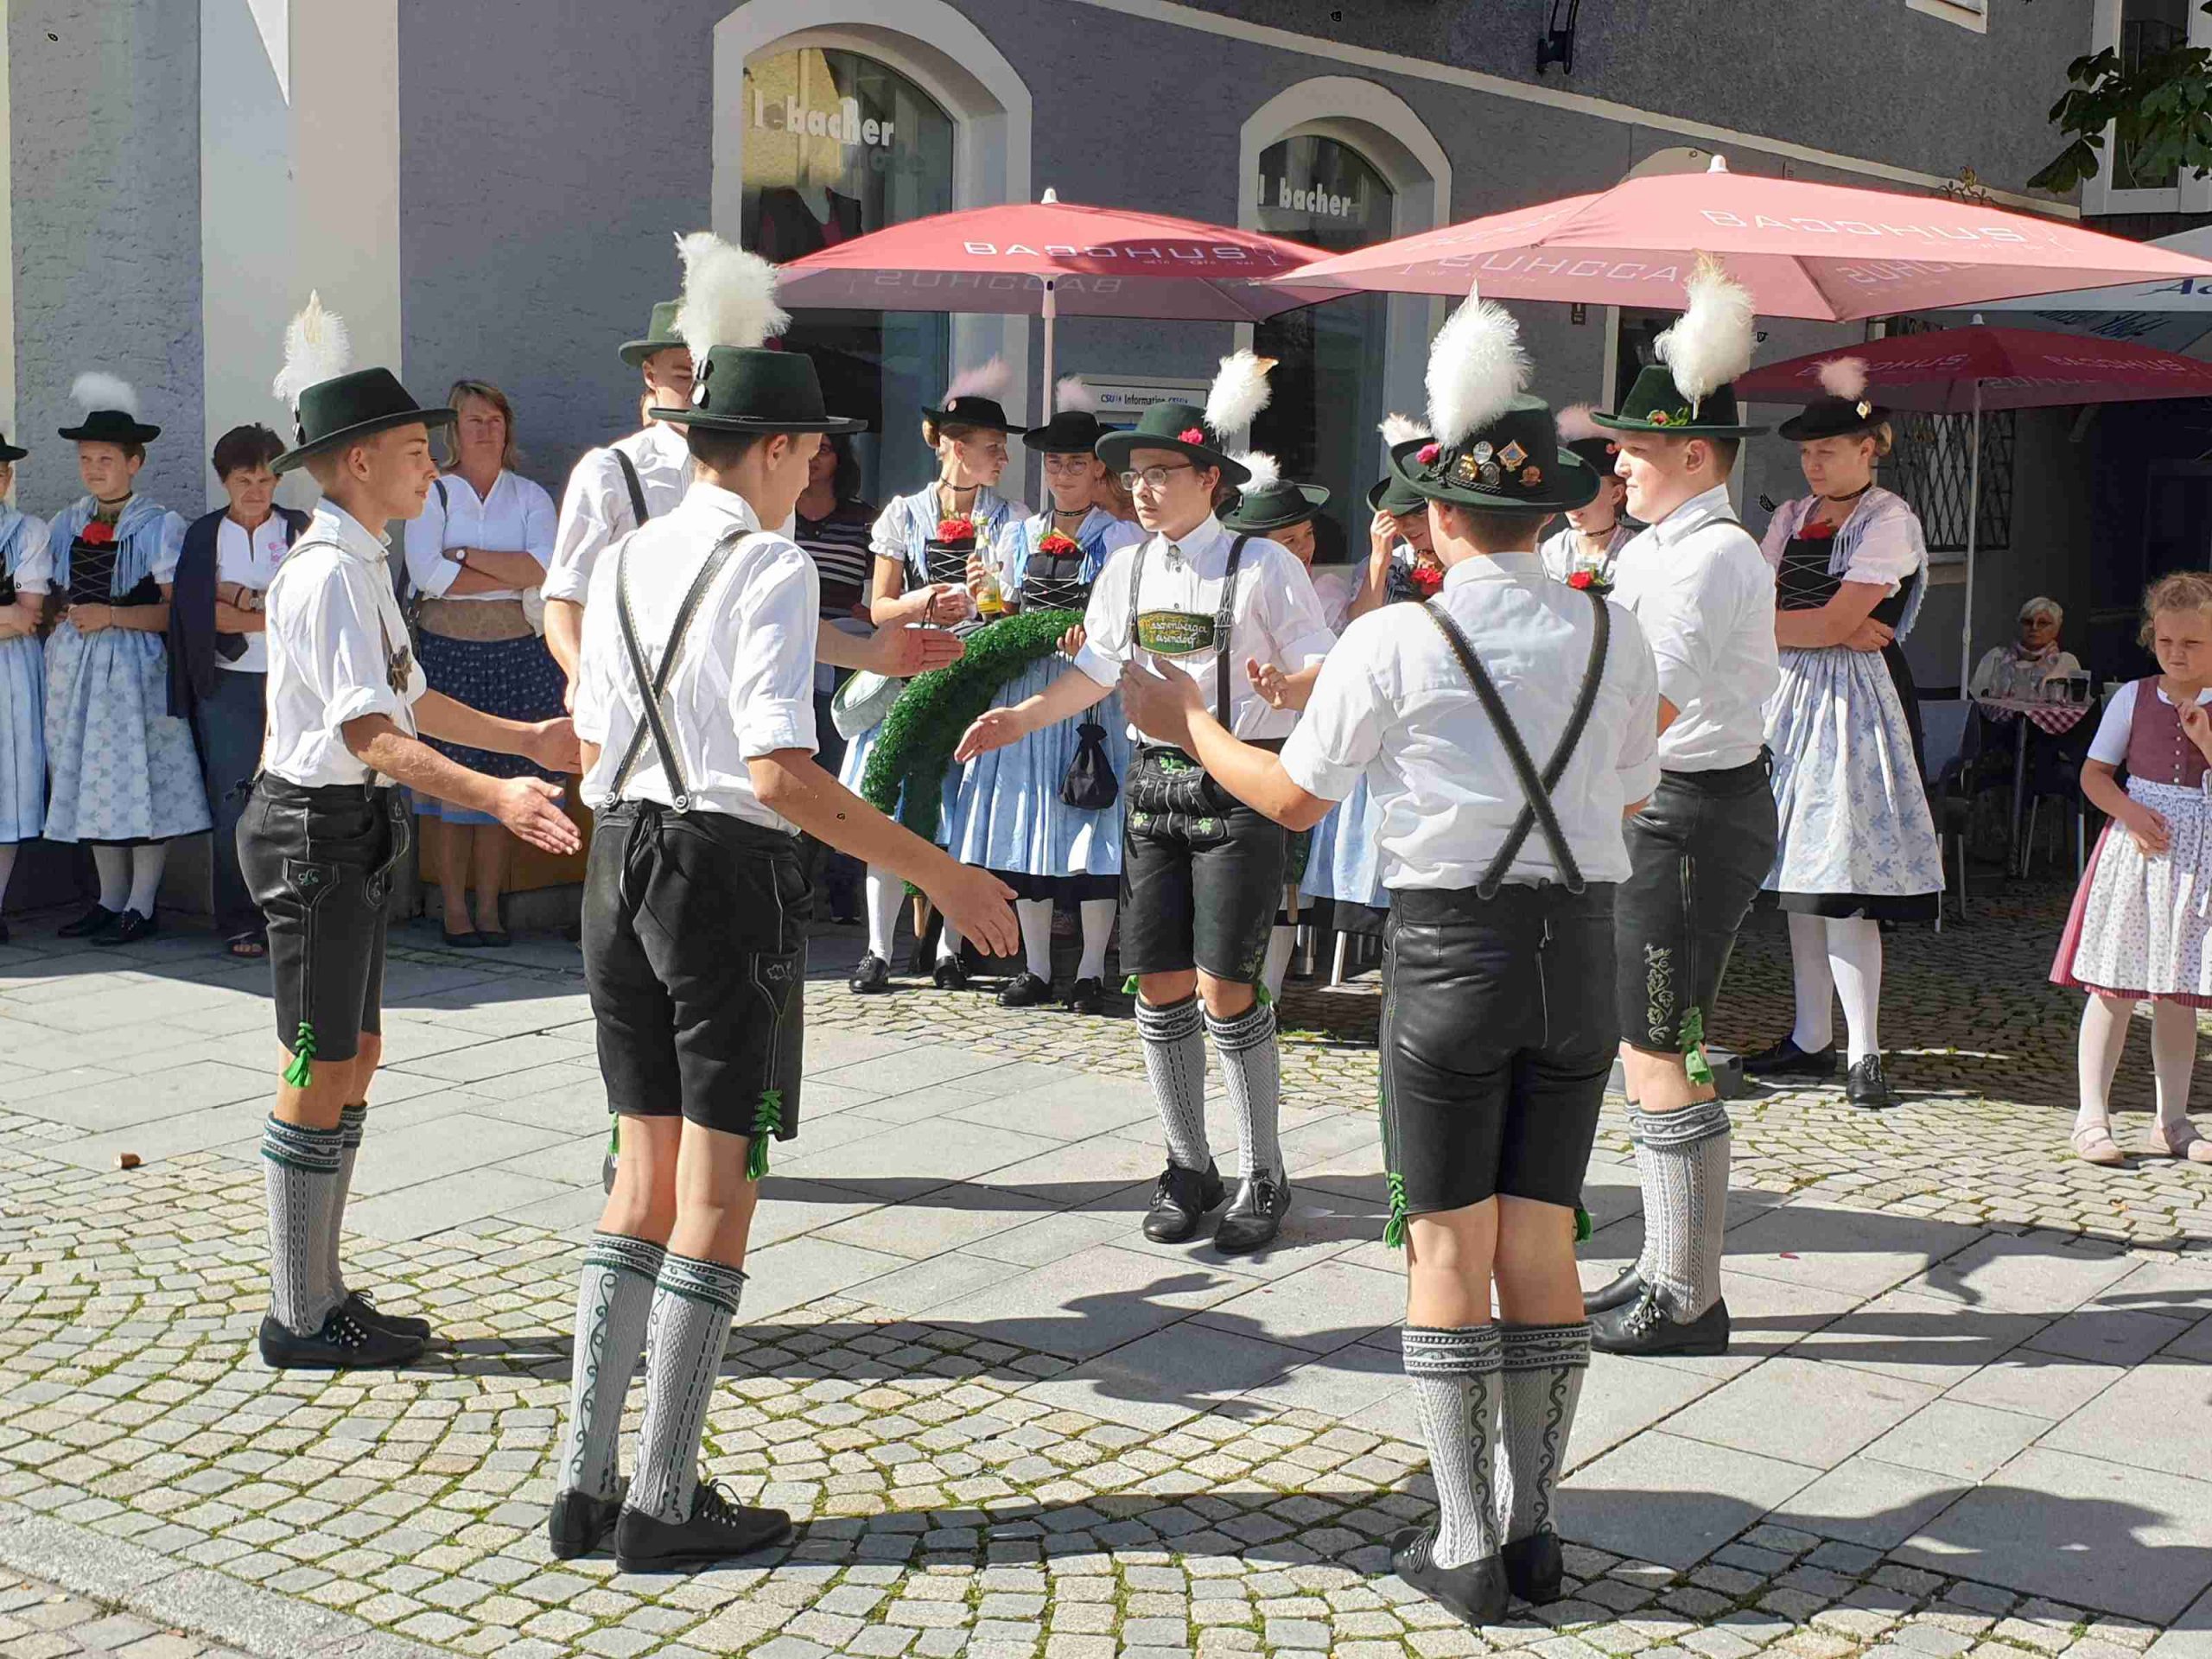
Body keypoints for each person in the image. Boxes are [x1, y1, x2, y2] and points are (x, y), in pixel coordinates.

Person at [1117, 292, 1658, 1627]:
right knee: (1542, 1239)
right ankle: (1535, 1530)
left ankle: (1465, 1540)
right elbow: (1635, 790)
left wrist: (1192, 728)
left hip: (1455, 950)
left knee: (1445, 1245)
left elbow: (1293, 799)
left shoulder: (1399, 634)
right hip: (1579, 946)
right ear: (1543, 515)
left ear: (1438, 518)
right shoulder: (1612, 627)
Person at [550, 235, 1017, 1571]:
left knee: (639, 1175)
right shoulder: (770, 563)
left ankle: (586, 1480)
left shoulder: (629, 559)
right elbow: (777, 771)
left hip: (618, 858)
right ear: (769, 450)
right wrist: (938, 870)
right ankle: (665, 1497)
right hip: (718, 874)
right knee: (719, 1182)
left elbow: (597, 733)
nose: (816, 471)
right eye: (809, 451)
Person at [244, 296, 582, 1370]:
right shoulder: (326, 574)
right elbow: (372, 736)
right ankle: (300, 1313)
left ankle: (321, 1288)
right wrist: (497, 796)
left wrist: (526, 739)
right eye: (411, 451)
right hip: (312, 830)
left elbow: (411, 698)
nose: (429, 466)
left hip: (344, 829)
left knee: (356, 1053)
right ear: (355, 465)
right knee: (316, 1062)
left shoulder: (364, 562)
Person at [956, 352, 1336, 1255]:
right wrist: (1020, 718)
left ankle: (1263, 1171)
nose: (1145, 489)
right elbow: (1097, 670)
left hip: (1239, 780)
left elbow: (1325, 663)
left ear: (1210, 479)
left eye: (1163, 473)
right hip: (1152, 784)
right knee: (1158, 983)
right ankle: (1187, 1163)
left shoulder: (1262, 565)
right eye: (1136, 476)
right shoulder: (1125, 567)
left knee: (1227, 987)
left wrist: (1289, 687)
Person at [1582, 256, 1779, 1359]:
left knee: (1664, 1049)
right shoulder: (1661, 547)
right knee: (1646, 1044)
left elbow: (1653, 701)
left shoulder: (1710, 557)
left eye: (1635, 449)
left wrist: (1574, 784)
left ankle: (1689, 1296)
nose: (1617, 463)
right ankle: (1667, 1264)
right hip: (1665, 808)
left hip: (1690, 812)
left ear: (1694, 454)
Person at [1742, 360, 1943, 1109]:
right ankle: (1810, 1037)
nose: (1814, 463)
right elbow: (1767, 614)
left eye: (1828, 450)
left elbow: (1831, 622)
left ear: (1870, 448)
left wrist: (1821, 627)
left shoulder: (1889, 520)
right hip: (1787, 700)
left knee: (1843, 879)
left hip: (1858, 706)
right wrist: (1822, 628)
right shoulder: (1792, 517)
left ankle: (1865, 1053)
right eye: (1807, 452)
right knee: (1800, 876)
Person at [950, 383, 1142, 1013]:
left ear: (1098, 470)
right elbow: (1002, 614)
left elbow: (1128, 617)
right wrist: (986, 597)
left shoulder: (1120, 539)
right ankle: (1034, 968)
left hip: (1090, 691)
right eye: (1055, 463)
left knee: (1090, 823)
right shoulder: (1018, 532)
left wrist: (1094, 634)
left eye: (1076, 463)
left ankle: (1088, 971)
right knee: (1029, 824)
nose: (1063, 474)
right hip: (1027, 687)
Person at [842, 360, 1028, 995]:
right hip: (910, 672)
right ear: (954, 446)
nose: (1003, 458)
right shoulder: (904, 514)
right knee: (890, 811)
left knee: (960, 811)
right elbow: (877, 607)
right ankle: (877, 949)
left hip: (975, 679)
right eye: (992, 447)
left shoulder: (1013, 518)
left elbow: (1014, 614)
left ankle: (950, 950)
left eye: (1002, 447)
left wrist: (987, 595)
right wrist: (925, 600)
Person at [2051, 572, 2212, 1167]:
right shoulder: (2134, 698)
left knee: (2178, 995)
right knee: (2112, 986)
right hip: (2137, 853)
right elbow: (2095, 774)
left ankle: (2172, 1120)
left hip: (2198, 861)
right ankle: (2091, 1115)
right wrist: (2130, 812)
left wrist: (2207, 738)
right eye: (2166, 641)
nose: (2176, 653)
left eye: (2192, 642)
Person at [44, 375, 208, 944]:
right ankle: (108, 898)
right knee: (91, 779)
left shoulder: (159, 527)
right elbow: (56, 596)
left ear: (134, 463)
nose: (93, 469)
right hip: (78, 670)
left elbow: (175, 614)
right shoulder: (67, 522)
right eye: (86, 459)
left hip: (136, 669)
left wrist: (111, 616)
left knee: (141, 780)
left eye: (106, 459)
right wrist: (64, 619)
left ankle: (143, 902)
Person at [403, 379, 563, 945]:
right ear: (454, 429)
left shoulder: (530, 496)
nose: (486, 430)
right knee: (453, 787)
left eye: (495, 420)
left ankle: (491, 909)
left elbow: (544, 569)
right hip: (448, 654)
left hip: (516, 654)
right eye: (474, 420)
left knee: (505, 782)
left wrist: (466, 555)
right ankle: (454, 910)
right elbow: (428, 574)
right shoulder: (436, 493)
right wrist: (505, 573)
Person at [172, 424, 309, 957]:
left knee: (295, 795)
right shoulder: (205, 535)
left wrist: (241, 603)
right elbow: (198, 614)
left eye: (266, 479)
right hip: (227, 682)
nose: (256, 490)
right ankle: (238, 918)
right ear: (224, 481)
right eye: (243, 480)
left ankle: (293, 913)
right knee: (234, 799)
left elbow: (306, 607)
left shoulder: (298, 529)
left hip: (294, 683)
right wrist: (263, 605)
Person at [1215, 451, 1332, 1002]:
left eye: (1306, 536)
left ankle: (1271, 991)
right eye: (1288, 540)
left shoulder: (1315, 587)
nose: (1302, 549)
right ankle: (1224, 987)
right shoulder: (1237, 579)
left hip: (1284, 743)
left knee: (1284, 875)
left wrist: (1292, 685)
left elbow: (1323, 660)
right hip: (1226, 744)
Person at [543, 302, 696, 691]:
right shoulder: (609, 471)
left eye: (708, 374)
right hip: (629, 695)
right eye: (684, 375)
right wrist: (579, 676)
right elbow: (564, 599)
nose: (698, 389)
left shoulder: (753, 473)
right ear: (650, 374)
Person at [793, 431, 876, 926]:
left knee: (843, 768)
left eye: (825, 449)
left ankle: (843, 883)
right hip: (790, 653)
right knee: (795, 763)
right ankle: (796, 882)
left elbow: (879, 594)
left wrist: (868, 613)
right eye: (808, 447)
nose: (814, 458)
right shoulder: (776, 513)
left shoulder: (863, 520)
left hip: (847, 652)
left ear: (841, 459)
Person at [0, 431, 51, 944]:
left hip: (9, 672)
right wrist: (6, 616)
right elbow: (11, 616)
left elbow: (29, 615)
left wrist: (15, 618)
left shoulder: (26, 532)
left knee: (7, 781)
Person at [1539, 407, 1637, 586]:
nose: (1573, 501)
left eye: (1586, 489)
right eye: (1567, 488)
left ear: (1616, 494)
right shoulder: (1552, 552)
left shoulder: (1636, 552)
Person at [1970, 596, 2082, 702]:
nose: (2034, 627)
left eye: (2042, 623)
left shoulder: (2064, 662)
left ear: (2056, 629)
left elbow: (2076, 705)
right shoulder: (1997, 657)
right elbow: (1973, 699)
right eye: (2028, 622)